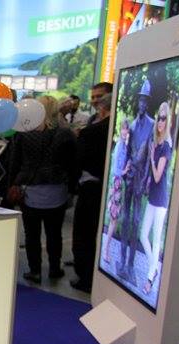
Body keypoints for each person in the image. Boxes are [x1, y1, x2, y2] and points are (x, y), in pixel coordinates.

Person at [9, 95, 79, 283]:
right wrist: (73, 188)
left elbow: (15, 163)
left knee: (31, 234)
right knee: (54, 233)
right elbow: (73, 164)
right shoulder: (66, 134)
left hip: (30, 190)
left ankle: (35, 270)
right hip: (57, 191)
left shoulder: (23, 134)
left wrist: (12, 184)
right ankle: (55, 268)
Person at [71, 93, 112, 292]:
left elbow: (78, 162)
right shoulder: (120, 130)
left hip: (90, 188)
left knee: (85, 234)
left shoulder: (91, 132)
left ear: (102, 108)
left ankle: (85, 277)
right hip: (110, 188)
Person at [119, 80, 155, 283]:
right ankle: (122, 260)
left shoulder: (151, 125)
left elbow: (150, 155)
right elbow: (127, 152)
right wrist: (125, 172)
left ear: (147, 103)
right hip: (130, 176)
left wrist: (148, 179)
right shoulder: (132, 125)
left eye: (144, 101)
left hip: (141, 177)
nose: (141, 104)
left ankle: (131, 265)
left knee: (135, 220)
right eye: (140, 100)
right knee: (125, 218)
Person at [139, 100, 173, 296]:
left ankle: (150, 277)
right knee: (143, 235)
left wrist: (152, 158)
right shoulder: (156, 142)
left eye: (164, 119)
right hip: (153, 196)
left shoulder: (165, 146)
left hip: (160, 199)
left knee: (156, 237)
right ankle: (155, 266)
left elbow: (158, 176)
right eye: (159, 118)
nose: (160, 122)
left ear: (168, 121)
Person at [102, 119, 130, 266]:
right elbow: (115, 170)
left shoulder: (124, 145)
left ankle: (106, 248)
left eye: (127, 129)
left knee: (115, 220)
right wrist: (124, 171)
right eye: (123, 129)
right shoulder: (120, 145)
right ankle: (105, 250)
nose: (125, 131)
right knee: (113, 220)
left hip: (119, 185)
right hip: (117, 184)